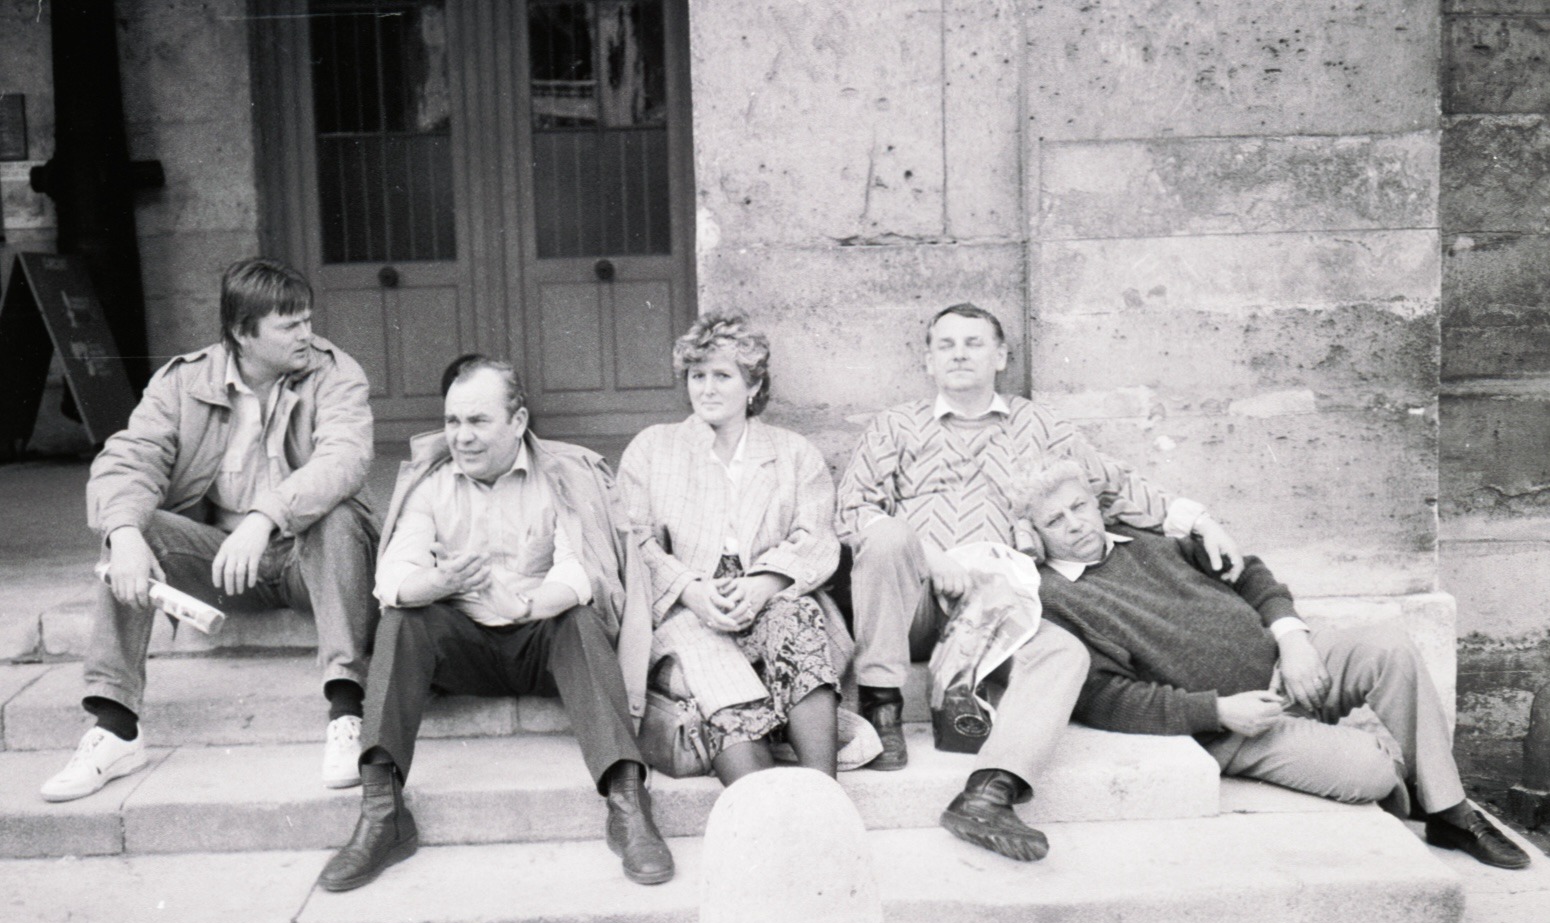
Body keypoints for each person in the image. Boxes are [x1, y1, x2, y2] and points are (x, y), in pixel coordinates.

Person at [836, 302, 1241, 861]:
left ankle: (988, 795)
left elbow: (1112, 486)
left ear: (1000, 355)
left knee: (1065, 653)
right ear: (928, 360)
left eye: (974, 343)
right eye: (946, 344)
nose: (959, 354)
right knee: (884, 537)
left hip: (997, 605)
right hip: (912, 604)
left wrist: (1198, 519)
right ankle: (883, 710)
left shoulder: (1039, 425)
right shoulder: (896, 426)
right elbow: (852, 510)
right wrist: (929, 555)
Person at [1016, 458, 1529, 870]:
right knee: (1374, 771)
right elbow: (1106, 699)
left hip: (1287, 666)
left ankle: (1449, 812)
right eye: (1055, 521)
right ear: (1037, 535)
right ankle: (1396, 770)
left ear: (1095, 503)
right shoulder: (1056, 597)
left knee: (1389, 648)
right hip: (1233, 727)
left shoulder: (1147, 539)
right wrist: (1216, 712)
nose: (1075, 525)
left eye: (1078, 507)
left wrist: (1293, 638)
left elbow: (1250, 573)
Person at [317, 355, 673, 891]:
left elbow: (582, 572)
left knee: (576, 619)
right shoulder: (429, 486)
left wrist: (527, 606)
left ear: (519, 422)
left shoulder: (562, 478)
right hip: (462, 648)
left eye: (478, 421)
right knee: (402, 619)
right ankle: (382, 813)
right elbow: (392, 576)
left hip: (540, 641)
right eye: (453, 422)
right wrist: (436, 585)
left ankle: (627, 803)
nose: (461, 437)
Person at [43, 257, 379, 802]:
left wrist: (265, 516)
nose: (307, 335)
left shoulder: (335, 372)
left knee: (337, 514)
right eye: (290, 325)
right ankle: (115, 729)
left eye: (307, 320)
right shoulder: (183, 382)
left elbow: (343, 460)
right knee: (130, 530)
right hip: (224, 565)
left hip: (309, 560)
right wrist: (124, 533)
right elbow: (129, 459)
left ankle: (347, 712)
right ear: (243, 333)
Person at [620, 312, 861, 784]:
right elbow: (635, 540)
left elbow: (816, 535)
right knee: (718, 676)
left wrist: (764, 585)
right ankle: (763, 814)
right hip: (685, 612)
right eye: (697, 376)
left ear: (753, 386)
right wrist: (690, 590)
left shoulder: (793, 453)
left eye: (722, 376)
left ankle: (822, 794)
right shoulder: (653, 449)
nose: (706, 388)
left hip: (771, 602)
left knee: (796, 618)